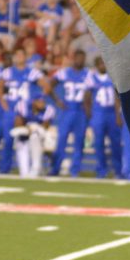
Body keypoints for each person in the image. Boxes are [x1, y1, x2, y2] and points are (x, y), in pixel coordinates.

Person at [50, 49, 90, 177]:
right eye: (77, 58)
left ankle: (75, 170)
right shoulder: (64, 73)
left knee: (79, 142)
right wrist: (57, 100)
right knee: (61, 140)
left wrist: (89, 109)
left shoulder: (88, 74)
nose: (80, 60)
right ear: (73, 59)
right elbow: (50, 84)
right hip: (68, 110)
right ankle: (55, 168)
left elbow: (93, 92)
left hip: (81, 111)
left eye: (82, 58)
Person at [86, 57, 121, 179]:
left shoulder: (113, 76)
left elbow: (117, 98)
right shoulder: (91, 77)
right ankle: (101, 170)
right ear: (96, 66)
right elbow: (87, 98)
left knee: (115, 143)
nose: (102, 66)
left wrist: (118, 115)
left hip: (111, 112)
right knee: (99, 143)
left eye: (104, 63)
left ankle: (118, 170)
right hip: (98, 112)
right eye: (100, 64)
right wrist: (90, 115)